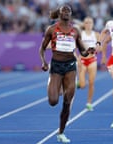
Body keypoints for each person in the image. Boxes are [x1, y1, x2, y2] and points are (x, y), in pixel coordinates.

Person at [39, 5, 94, 143]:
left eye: (69, 11)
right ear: (59, 13)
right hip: (56, 67)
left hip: (70, 67)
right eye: (64, 10)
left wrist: (88, 52)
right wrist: (44, 62)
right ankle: (52, 83)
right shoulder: (51, 29)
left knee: (67, 102)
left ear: (71, 14)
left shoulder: (75, 31)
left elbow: (82, 51)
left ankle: (61, 132)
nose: (66, 12)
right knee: (53, 101)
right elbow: (42, 48)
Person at [76, 16, 100, 111]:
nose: (88, 24)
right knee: (82, 86)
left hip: (92, 60)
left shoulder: (96, 35)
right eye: (86, 22)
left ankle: (89, 102)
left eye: (90, 22)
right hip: (82, 60)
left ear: (93, 24)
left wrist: (95, 49)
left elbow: (100, 48)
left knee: (91, 83)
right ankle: (79, 83)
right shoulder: (80, 34)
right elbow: (76, 47)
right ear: (84, 24)